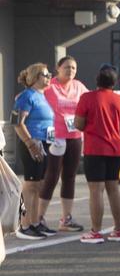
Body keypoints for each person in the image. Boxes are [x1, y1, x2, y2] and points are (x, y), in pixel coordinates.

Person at [75, 65, 120, 243]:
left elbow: (78, 124)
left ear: (97, 80)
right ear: (114, 82)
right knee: (113, 189)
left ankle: (96, 232)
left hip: (94, 149)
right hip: (115, 149)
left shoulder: (87, 98)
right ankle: (119, 230)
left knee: (96, 191)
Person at [38, 56, 88, 232]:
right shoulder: (49, 86)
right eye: (67, 67)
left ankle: (66, 219)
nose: (71, 71)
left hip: (74, 135)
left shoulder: (79, 87)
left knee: (70, 177)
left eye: (74, 68)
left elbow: (89, 104)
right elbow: (32, 99)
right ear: (57, 69)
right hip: (54, 136)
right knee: (51, 176)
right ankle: (39, 218)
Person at [11, 64, 55, 240]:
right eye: (46, 74)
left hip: (44, 143)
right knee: (30, 186)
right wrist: (30, 144)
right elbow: (16, 122)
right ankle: (24, 225)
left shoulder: (41, 96)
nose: (49, 77)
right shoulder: (27, 96)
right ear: (36, 77)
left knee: (39, 185)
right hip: (32, 143)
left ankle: (35, 222)